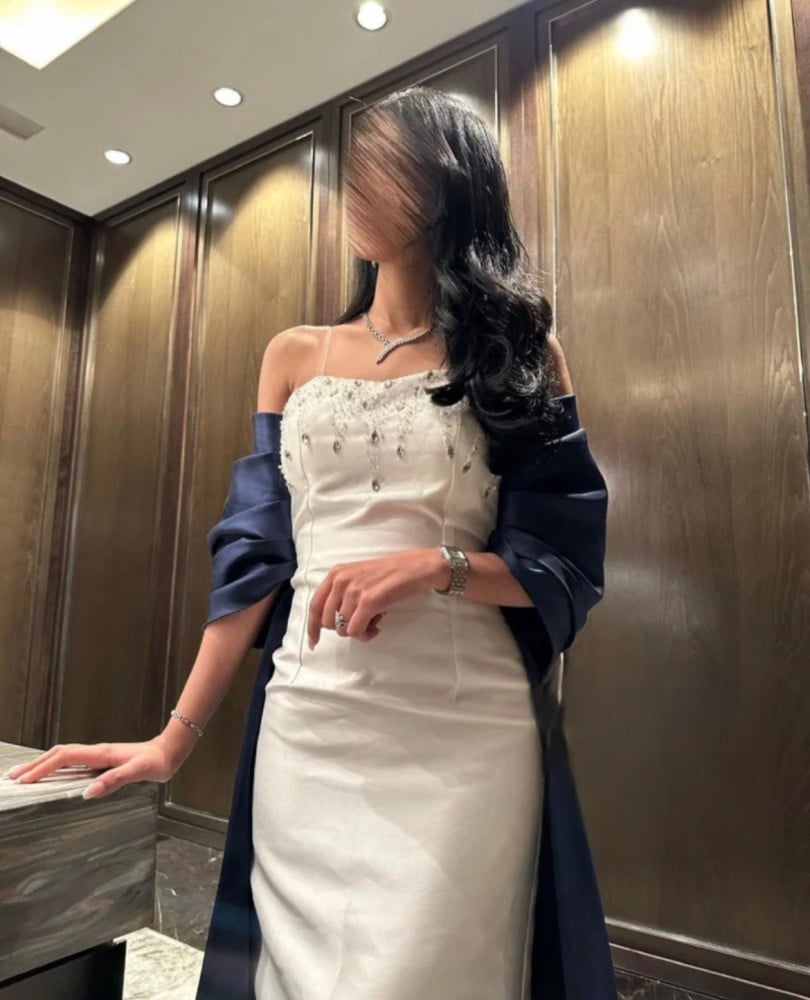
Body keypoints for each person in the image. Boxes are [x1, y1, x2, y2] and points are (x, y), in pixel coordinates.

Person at [4, 86, 615, 999]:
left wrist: (438, 565)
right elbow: (256, 560)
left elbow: (563, 561)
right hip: (310, 722)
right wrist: (172, 741)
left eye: (387, 167)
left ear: (448, 184)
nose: (355, 187)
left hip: (464, 734)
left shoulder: (521, 354)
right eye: (354, 168)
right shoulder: (293, 355)